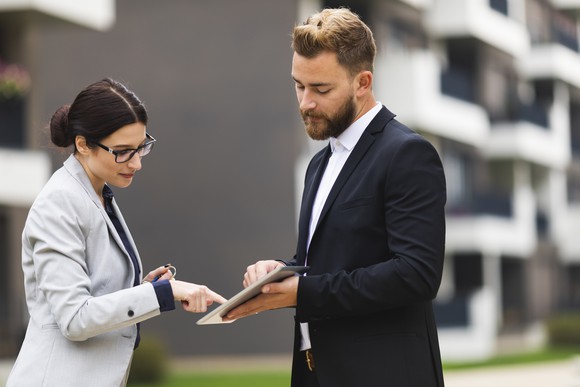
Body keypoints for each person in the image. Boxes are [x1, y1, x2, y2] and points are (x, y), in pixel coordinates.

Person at [225, 8, 446, 387]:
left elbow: (416, 275)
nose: (305, 102)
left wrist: (303, 293)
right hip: (316, 372)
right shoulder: (320, 163)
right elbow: (332, 259)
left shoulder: (407, 154)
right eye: (299, 85)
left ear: (363, 82)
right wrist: (281, 270)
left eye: (321, 89)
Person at [6, 78, 226, 387]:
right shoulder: (59, 202)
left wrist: (143, 287)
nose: (136, 163)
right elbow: (75, 318)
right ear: (83, 144)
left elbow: (96, 291)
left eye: (141, 147)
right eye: (122, 151)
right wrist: (161, 294)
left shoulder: (96, 193)